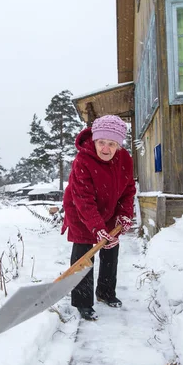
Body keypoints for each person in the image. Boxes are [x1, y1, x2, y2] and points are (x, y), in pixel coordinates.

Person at [61, 114, 136, 321]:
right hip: (80, 211)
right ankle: (83, 302)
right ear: (94, 140)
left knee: (111, 250)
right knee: (84, 255)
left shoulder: (125, 160)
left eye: (111, 144)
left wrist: (124, 214)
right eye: (101, 142)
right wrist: (95, 226)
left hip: (110, 210)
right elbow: (83, 199)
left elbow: (128, 190)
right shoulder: (83, 161)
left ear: (119, 145)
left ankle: (105, 292)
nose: (105, 148)